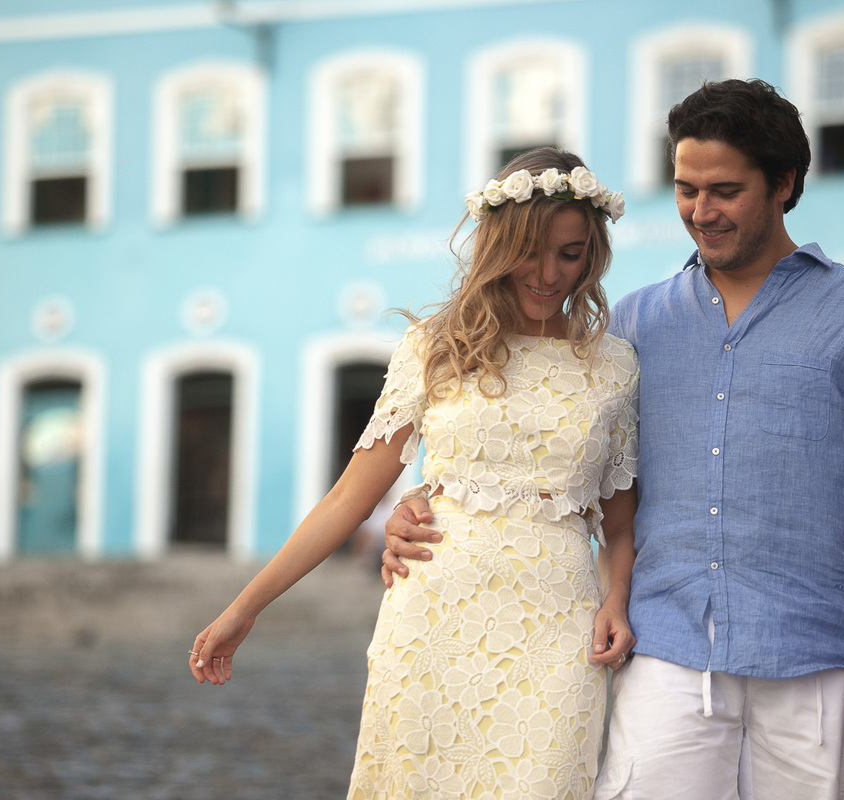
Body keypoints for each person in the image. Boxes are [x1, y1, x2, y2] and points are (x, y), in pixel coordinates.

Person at [382, 79, 844, 799]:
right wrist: (426, 503)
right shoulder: (632, 327)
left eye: (724, 190)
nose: (700, 211)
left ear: (784, 184)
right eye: (686, 189)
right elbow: (561, 461)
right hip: (666, 652)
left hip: (815, 653)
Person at [190, 147, 641, 799]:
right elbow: (350, 496)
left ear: (592, 255)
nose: (548, 273)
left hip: (558, 631)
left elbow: (621, 525)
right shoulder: (435, 350)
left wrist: (618, 601)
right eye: (530, 251)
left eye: (569, 254)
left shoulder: (614, 366)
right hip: (432, 622)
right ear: (497, 246)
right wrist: (244, 608)